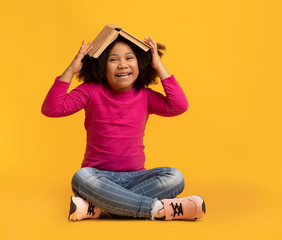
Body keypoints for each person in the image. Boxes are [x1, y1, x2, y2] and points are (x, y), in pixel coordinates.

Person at [41, 31, 206, 221]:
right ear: (102, 66)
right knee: (81, 177)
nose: (122, 64)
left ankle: (101, 207)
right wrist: (71, 69)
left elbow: (179, 106)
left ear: (141, 64)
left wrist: (159, 65)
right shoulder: (89, 91)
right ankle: (158, 209)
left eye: (129, 58)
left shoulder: (145, 96)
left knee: (174, 176)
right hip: (98, 177)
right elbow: (51, 109)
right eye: (113, 59)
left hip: (136, 177)